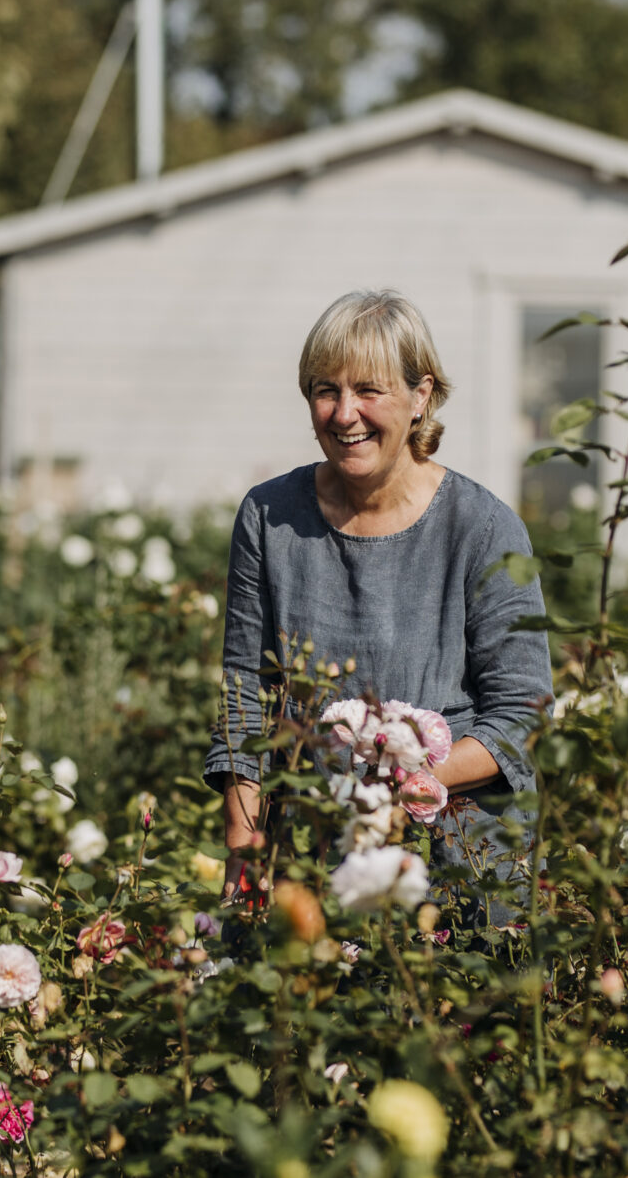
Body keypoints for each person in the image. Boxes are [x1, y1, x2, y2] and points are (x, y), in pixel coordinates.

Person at [205, 289, 552, 923]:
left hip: (455, 854)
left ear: (421, 396)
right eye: (325, 391)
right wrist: (245, 848)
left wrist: (409, 787)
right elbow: (246, 696)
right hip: (311, 854)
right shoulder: (270, 517)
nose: (344, 415)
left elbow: (522, 716)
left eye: (368, 390)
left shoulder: (483, 528)